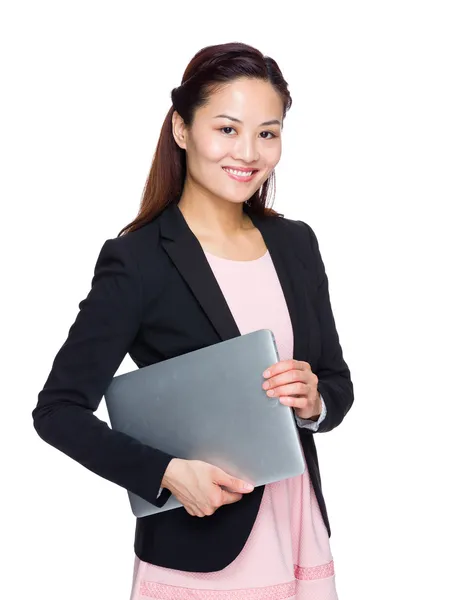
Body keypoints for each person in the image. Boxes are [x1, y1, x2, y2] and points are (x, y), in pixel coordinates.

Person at [33, 41, 354, 599]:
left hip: (299, 530)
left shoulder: (296, 244)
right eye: (227, 129)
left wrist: (315, 400)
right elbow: (57, 411)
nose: (249, 152)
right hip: (200, 553)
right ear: (182, 129)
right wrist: (165, 474)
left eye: (268, 132)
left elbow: (337, 384)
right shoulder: (138, 260)